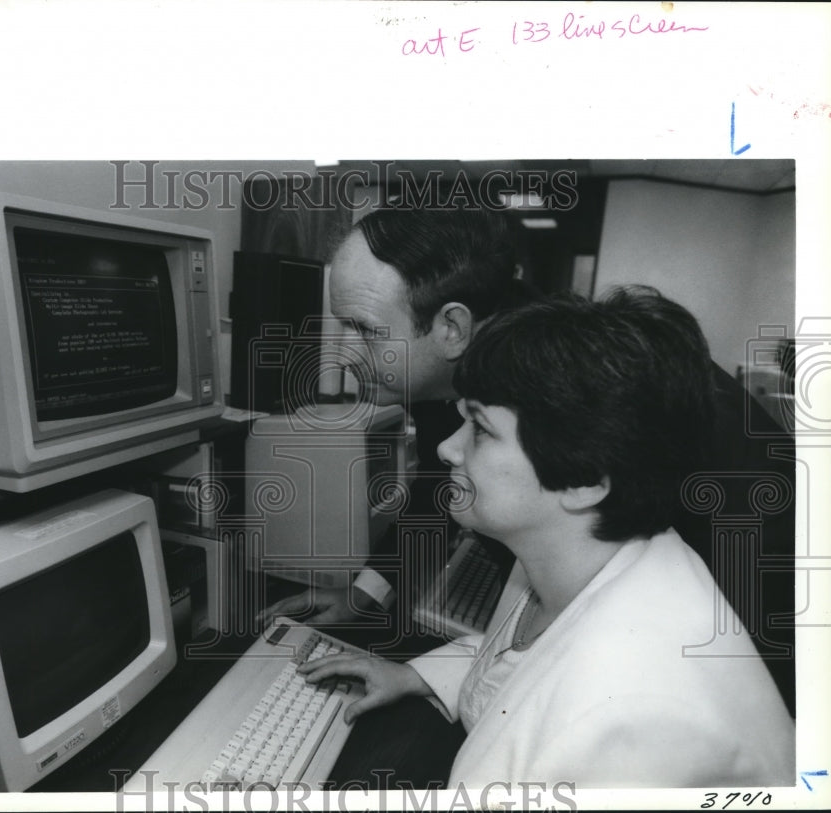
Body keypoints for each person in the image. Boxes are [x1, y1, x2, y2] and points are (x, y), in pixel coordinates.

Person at [299, 287, 796, 787]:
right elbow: (527, 660)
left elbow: (565, 693)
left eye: (480, 428)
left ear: (582, 478)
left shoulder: (628, 720)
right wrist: (414, 676)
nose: (448, 449)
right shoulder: (578, 548)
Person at [260, 206, 531, 630]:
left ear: (453, 328)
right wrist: (362, 594)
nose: (344, 355)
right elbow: (438, 493)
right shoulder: (433, 376)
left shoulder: (547, 400)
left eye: (365, 329)